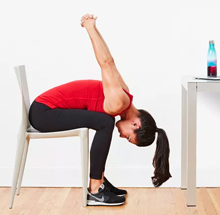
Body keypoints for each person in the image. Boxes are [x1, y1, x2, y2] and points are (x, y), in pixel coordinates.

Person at [28, 14, 172, 206]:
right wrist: (90, 28)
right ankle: (95, 188)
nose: (123, 137)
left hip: (44, 110)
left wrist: (94, 29)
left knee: (105, 121)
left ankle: (100, 181)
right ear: (136, 124)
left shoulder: (124, 94)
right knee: (106, 122)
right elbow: (107, 63)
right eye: (129, 137)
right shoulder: (119, 102)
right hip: (43, 114)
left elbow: (111, 62)